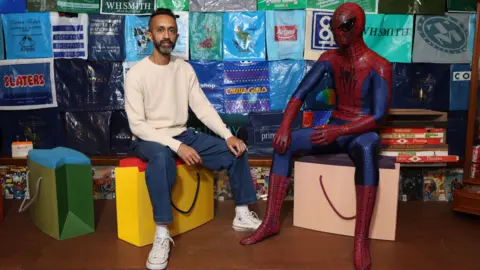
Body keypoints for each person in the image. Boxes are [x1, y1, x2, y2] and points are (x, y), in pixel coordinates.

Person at [239, 3, 392, 270]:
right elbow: (300, 93)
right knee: (283, 145)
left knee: (368, 147)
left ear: (358, 27)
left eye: (343, 27)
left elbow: (379, 117)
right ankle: (271, 221)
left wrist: (340, 130)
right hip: (334, 127)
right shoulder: (329, 59)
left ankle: (360, 241)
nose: (337, 34)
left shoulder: (379, 65)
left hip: (360, 133)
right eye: (334, 28)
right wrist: (285, 126)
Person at [124, 8, 261, 270]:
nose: (167, 35)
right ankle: (162, 234)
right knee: (162, 158)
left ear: (176, 36)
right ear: (150, 34)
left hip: (182, 133)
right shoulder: (136, 74)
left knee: (236, 150)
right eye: (161, 30)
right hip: (148, 137)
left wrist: (228, 135)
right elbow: (137, 125)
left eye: (171, 30)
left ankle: (242, 214)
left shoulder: (183, 69)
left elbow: (203, 108)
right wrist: (178, 146)